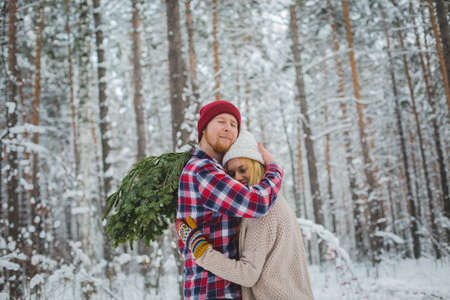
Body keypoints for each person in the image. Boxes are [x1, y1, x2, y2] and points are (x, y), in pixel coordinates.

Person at [177, 130, 314, 300]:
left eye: (243, 170)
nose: (237, 178)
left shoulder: (263, 211)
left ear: (257, 166)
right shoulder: (275, 200)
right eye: (231, 174)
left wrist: (200, 250)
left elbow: (247, 275)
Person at [176, 100, 284, 300]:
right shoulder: (203, 170)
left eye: (234, 125)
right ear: (203, 129)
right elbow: (258, 203)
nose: (228, 128)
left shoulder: (215, 171)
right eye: (221, 121)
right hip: (214, 291)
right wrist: (274, 168)